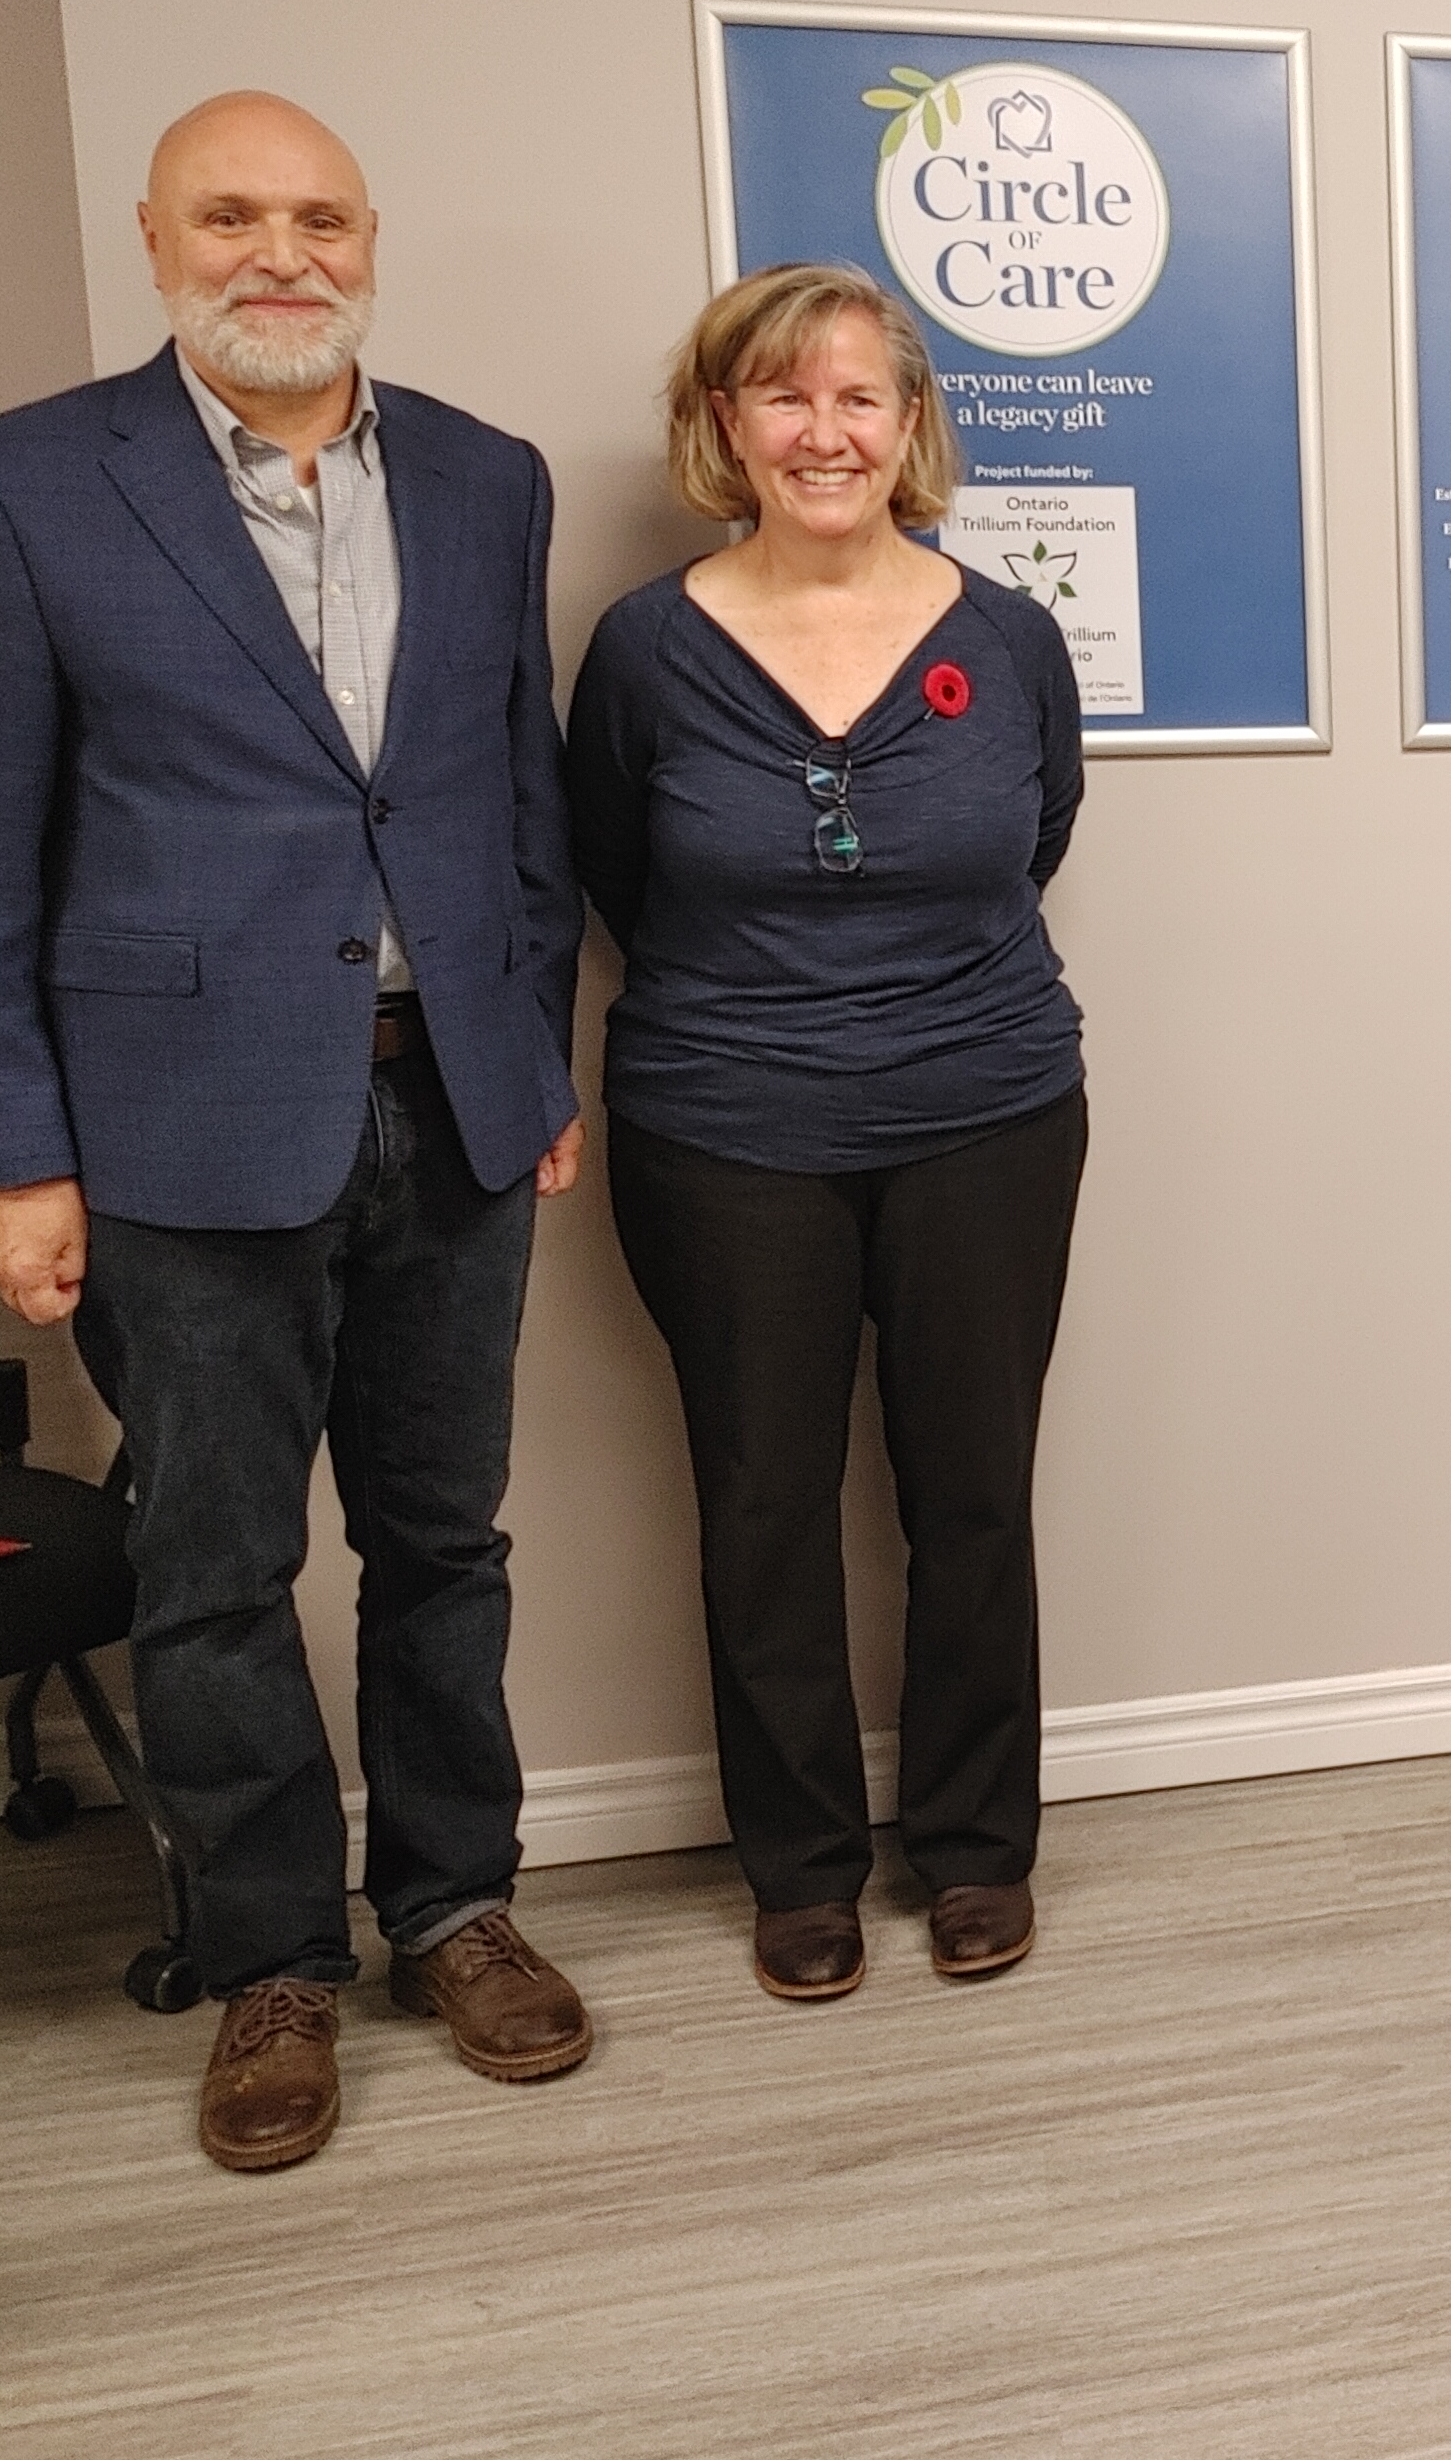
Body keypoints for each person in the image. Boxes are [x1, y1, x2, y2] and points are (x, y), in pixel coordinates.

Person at [0, 90, 593, 2173]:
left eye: (318, 217)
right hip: (170, 1132)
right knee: (211, 1568)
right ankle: (267, 1952)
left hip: (449, 1103)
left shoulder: (483, 476)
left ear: (370, 238)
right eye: (230, 217)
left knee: (444, 1542)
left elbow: (513, 803)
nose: (278, 253)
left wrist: (532, 1060)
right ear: (159, 237)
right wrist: (10, 1155)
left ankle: (455, 1903)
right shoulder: (22, 484)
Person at [567, 261, 1090, 2004]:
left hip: (989, 1112)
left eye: (860, 397)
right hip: (726, 1129)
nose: (825, 431)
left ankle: (972, 1848)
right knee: (765, 1502)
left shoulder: (1004, 635)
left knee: (972, 1496)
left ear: (911, 424)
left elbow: (1033, 845)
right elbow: (616, 879)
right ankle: (797, 1865)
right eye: (785, 397)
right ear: (724, 424)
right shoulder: (645, 652)